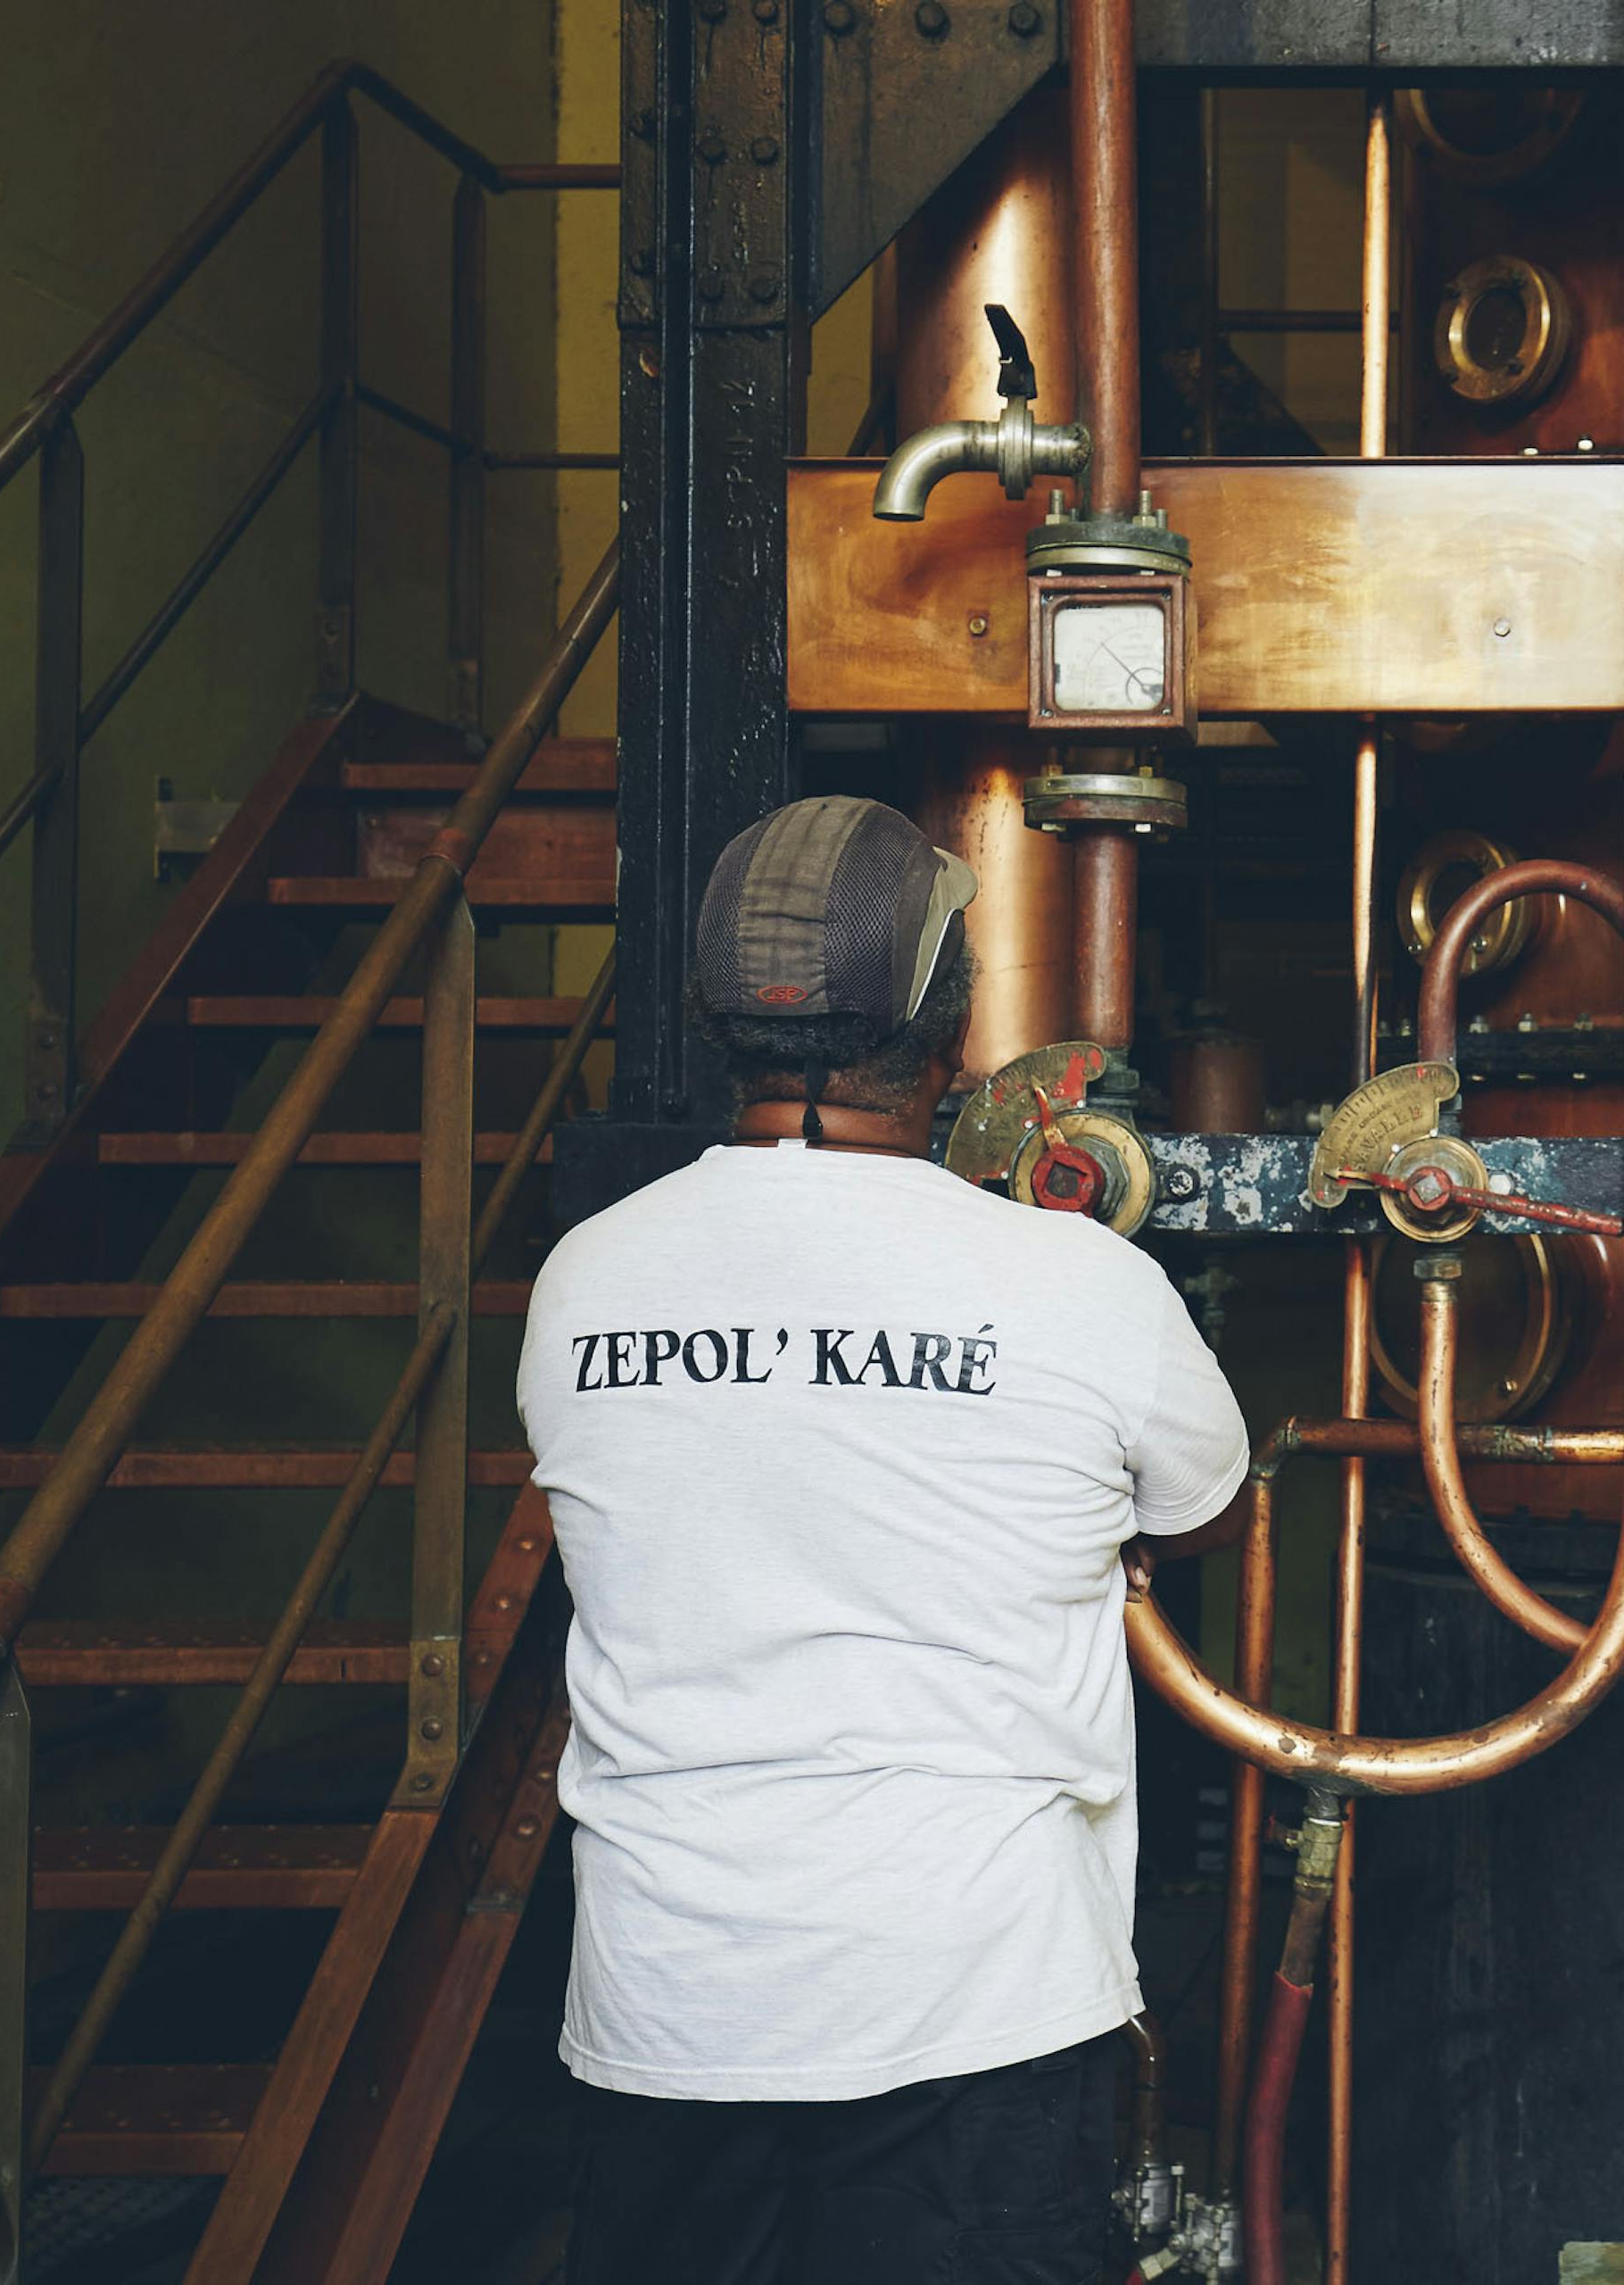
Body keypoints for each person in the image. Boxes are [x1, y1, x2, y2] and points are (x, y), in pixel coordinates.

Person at [518, 794, 1250, 2284]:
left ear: (714, 1015)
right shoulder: (1079, 1289)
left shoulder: (585, 1282)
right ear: (953, 1022)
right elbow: (1201, 1503)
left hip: (671, 2013)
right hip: (975, 2009)